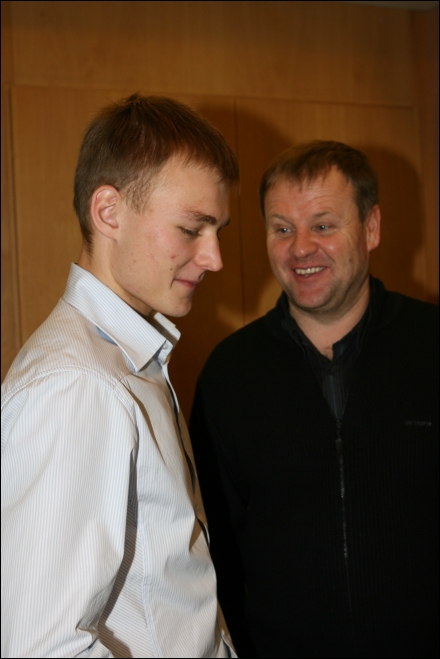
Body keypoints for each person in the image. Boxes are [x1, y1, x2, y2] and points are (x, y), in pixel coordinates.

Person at [1, 94, 239, 658]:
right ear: (108, 212)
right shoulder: (77, 385)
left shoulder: (127, 359)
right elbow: (41, 647)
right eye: (191, 229)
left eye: (217, 231)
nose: (214, 258)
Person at [190, 141, 439, 658]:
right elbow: (213, 555)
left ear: (371, 228)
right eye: (282, 229)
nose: (300, 248)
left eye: (323, 225)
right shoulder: (230, 375)